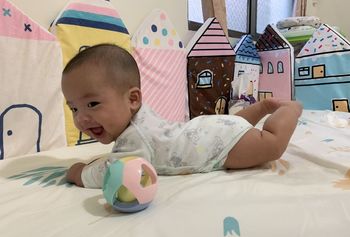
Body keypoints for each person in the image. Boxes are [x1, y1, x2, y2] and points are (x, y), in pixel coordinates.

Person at [62, 44, 302, 188]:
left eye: (92, 104)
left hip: (216, 149)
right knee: (235, 125)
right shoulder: (139, 117)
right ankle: (260, 108)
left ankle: (289, 109)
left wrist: (80, 173)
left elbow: (110, 173)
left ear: (133, 99)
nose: (81, 118)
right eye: (74, 108)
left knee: (270, 144)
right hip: (209, 128)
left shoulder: (135, 139)